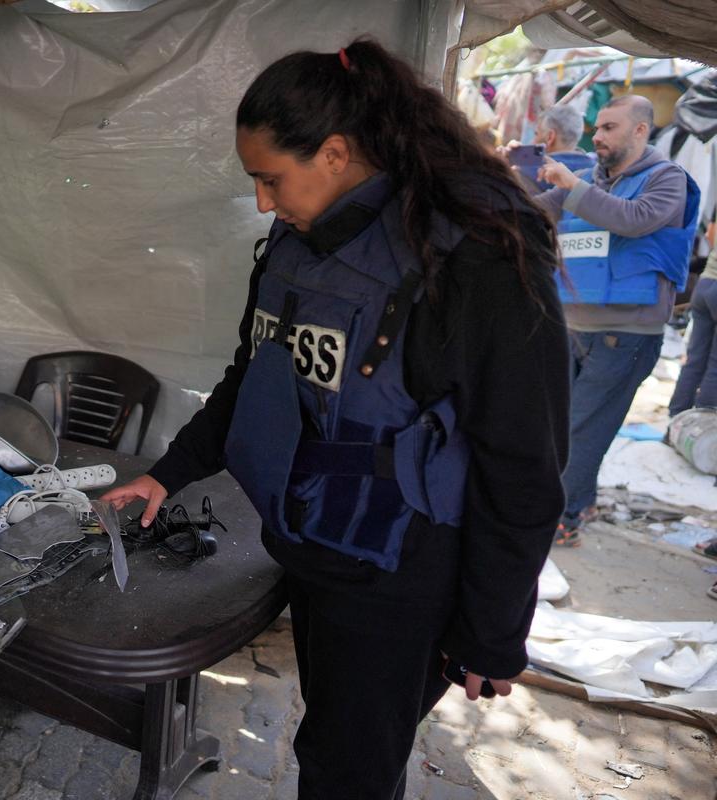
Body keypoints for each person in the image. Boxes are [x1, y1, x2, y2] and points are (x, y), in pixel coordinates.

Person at [101, 40, 569, 799]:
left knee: (346, 769)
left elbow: (526, 464)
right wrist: (167, 472)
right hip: (317, 544)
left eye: (269, 179)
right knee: (336, 739)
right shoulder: (299, 242)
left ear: (336, 152)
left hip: (404, 571)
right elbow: (252, 377)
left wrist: (492, 632)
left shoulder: (474, 257)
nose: (261, 202)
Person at [536, 94, 701, 546]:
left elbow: (634, 220)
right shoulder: (590, 178)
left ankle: (564, 519)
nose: (597, 134)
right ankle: (574, 503)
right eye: (597, 127)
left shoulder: (668, 181)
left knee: (581, 432)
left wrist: (573, 188)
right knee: (558, 427)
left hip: (626, 336)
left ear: (641, 131)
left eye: (609, 127)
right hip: (574, 326)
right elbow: (534, 211)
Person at [669, 223, 717, 416]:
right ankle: (705, 423)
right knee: (715, 364)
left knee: (694, 360)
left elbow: (710, 233)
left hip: (706, 283)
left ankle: (676, 419)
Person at [509, 105, 595, 191]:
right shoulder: (595, 170)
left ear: (550, 137)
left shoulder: (528, 171)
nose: (532, 142)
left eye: (536, 134)